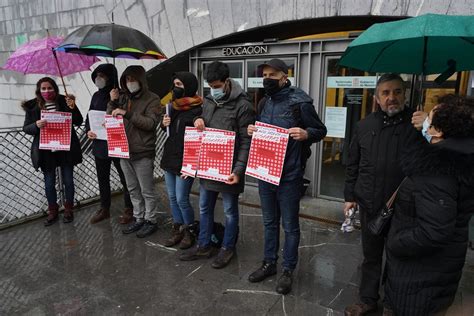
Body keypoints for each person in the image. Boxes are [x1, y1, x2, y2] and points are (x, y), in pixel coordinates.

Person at [384, 95, 474, 315]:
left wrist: (396, 243)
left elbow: (434, 231)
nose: (425, 124)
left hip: (419, 279)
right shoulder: (462, 158)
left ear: (439, 131)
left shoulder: (437, 169)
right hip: (436, 275)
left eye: (430, 120)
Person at [343, 73, 423, 316]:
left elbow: (433, 161)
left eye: (397, 92)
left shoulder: (417, 125)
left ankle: (392, 303)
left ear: (405, 94)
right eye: (386, 93)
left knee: (399, 259)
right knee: (371, 256)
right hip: (370, 203)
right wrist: (350, 197)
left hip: (405, 207)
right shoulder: (364, 126)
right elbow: (354, 164)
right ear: (377, 98)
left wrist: (428, 128)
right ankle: (367, 299)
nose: (392, 98)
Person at [246, 58, 327, 295]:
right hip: (265, 172)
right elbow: (260, 129)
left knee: (290, 226)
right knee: (270, 222)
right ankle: (269, 263)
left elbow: (320, 130)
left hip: (289, 175)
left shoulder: (300, 102)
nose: (267, 79)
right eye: (265, 75)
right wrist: (252, 129)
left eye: (272, 75)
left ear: (284, 76)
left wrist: (306, 133)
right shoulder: (263, 102)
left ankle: (288, 269)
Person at [179, 61, 255, 268]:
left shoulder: (243, 105)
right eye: (210, 87)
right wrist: (198, 120)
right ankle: (204, 244)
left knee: (230, 210)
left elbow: (246, 141)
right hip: (209, 166)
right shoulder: (210, 101)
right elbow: (203, 119)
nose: (214, 90)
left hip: (229, 170)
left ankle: (227, 247)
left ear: (227, 81)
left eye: (216, 86)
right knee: (204, 207)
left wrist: (238, 171)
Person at [107, 65, 161, 238]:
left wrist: (127, 113)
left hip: (142, 151)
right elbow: (109, 119)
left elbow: (150, 124)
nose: (130, 83)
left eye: (133, 79)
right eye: (127, 80)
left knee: (146, 190)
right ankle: (138, 218)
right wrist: (113, 101)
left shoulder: (152, 99)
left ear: (141, 80)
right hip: (123, 150)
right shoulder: (122, 97)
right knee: (132, 189)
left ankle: (150, 220)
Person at [22, 77, 83, 226]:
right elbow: (26, 128)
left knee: (68, 180)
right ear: (39, 90)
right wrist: (36, 125)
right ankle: (52, 210)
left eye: (49, 88)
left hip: (65, 148)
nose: (47, 91)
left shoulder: (65, 101)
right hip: (46, 150)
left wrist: (72, 107)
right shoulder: (33, 106)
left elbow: (78, 121)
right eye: (43, 88)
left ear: (55, 88)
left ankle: (68, 208)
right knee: (49, 182)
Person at [86, 64, 134, 225]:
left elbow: (127, 117)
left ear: (111, 77)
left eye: (103, 75)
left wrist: (114, 101)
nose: (99, 79)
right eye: (97, 75)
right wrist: (89, 131)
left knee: (125, 177)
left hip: (117, 143)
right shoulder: (95, 96)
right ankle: (104, 208)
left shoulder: (121, 95)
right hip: (100, 143)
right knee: (102, 178)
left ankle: (130, 208)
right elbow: (90, 116)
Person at [161, 72, 203, 249]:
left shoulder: (199, 108)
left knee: (182, 198)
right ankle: (178, 227)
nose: (175, 88)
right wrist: (164, 124)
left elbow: (200, 135)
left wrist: (199, 121)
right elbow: (170, 133)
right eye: (174, 84)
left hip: (187, 161)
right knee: (172, 197)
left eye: (179, 84)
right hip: (170, 157)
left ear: (189, 86)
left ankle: (189, 230)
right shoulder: (172, 107)